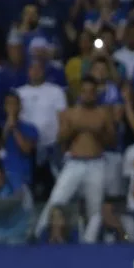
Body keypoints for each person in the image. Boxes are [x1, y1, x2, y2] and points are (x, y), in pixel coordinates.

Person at [33, 76, 115, 240]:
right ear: (80, 93)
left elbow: (112, 140)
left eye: (91, 92)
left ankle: (89, 243)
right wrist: (74, 128)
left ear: (95, 93)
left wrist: (97, 132)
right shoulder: (70, 113)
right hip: (74, 163)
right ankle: (39, 235)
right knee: (57, 199)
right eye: (84, 91)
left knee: (95, 208)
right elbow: (60, 139)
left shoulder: (103, 113)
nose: (88, 95)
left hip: (96, 163)